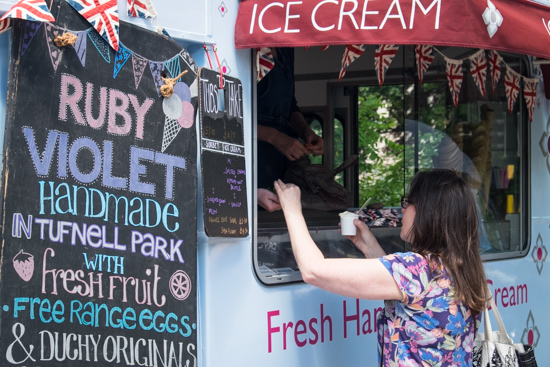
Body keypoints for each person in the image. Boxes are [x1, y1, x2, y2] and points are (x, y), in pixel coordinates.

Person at [274, 169, 488, 366]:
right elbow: (410, 292)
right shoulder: (461, 267)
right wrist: (368, 246)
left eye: (408, 202)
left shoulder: (417, 268)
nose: (402, 209)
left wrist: (292, 209)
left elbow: (313, 270)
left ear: (429, 212)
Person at [257, 47, 323, 211]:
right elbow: (231, 116)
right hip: (253, 156)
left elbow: (290, 105)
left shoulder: (286, 48)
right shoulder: (248, 46)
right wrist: (274, 137)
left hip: (281, 162)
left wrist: (306, 131)